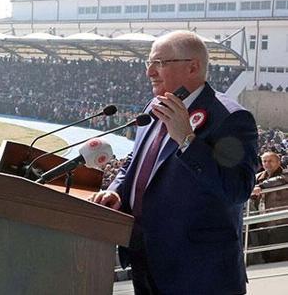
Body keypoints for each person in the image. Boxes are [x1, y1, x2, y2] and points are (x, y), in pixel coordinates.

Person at [90, 30, 259, 295]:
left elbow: (237, 190)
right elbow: (136, 161)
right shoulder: (155, 106)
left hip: (200, 274)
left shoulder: (230, 118)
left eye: (160, 63)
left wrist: (187, 141)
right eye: (149, 63)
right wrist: (116, 190)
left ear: (193, 67)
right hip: (145, 259)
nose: (150, 72)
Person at [251, 151, 288, 262]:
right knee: (266, 254)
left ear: (278, 162)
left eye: (270, 161)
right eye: (264, 161)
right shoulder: (257, 177)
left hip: (281, 220)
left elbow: (278, 181)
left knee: (282, 253)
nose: (267, 163)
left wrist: (260, 187)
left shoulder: (285, 173)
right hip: (262, 221)